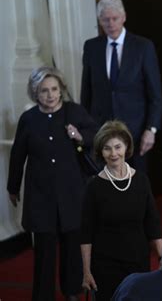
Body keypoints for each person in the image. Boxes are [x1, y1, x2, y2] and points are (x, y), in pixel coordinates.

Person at [7, 66, 97, 301]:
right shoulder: (28, 119)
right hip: (40, 195)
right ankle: (42, 296)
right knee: (44, 251)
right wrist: (12, 187)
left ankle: (72, 291)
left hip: (71, 191)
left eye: (54, 89)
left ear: (61, 90)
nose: (50, 95)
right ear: (35, 92)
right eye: (44, 90)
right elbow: (18, 155)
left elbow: (95, 136)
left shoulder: (74, 112)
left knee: (71, 247)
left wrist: (79, 136)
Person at [80, 120, 162, 301]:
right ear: (101, 151)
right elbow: (85, 233)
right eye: (107, 148)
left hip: (138, 262)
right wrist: (86, 271)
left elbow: (153, 223)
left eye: (118, 147)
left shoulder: (141, 180)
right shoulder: (93, 186)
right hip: (105, 265)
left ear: (126, 146)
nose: (113, 153)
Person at [80, 0, 162, 172]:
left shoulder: (143, 46)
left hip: (136, 133)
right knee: (106, 186)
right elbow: (86, 92)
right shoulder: (91, 47)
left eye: (114, 18)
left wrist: (151, 129)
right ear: (100, 21)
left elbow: (155, 94)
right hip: (101, 132)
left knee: (136, 184)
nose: (110, 23)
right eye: (105, 19)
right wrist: (86, 129)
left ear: (123, 17)